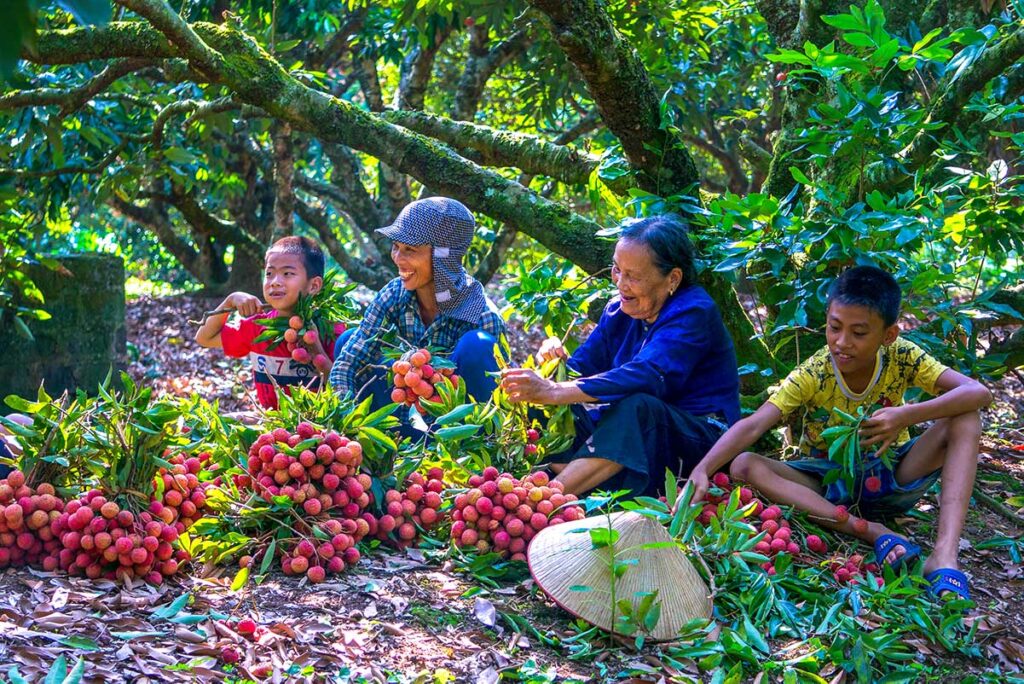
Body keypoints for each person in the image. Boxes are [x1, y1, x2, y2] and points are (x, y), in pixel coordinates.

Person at [685, 265, 991, 600]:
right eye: (834, 328)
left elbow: (977, 392)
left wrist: (905, 415)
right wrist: (703, 469)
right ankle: (871, 531)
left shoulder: (902, 355)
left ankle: (944, 557)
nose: (842, 342)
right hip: (828, 486)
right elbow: (755, 423)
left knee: (965, 418)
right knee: (743, 464)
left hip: (891, 471)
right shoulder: (815, 372)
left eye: (859, 333)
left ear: (888, 335)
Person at [500, 214, 741, 498]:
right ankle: (579, 482)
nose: (620, 284)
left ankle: (546, 498)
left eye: (634, 277)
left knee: (638, 407)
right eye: (617, 270)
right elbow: (579, 372)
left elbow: (648, 376)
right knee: (542, 402)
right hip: (630, 433)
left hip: (698, 440)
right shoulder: (618, 311)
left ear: (672, 278)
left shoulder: (694, 311)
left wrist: (555, 390)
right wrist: (553, 366)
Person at [329, 197, 506, 407]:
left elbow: (500, 396)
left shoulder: (481, 316)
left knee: (478, 345)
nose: (397, 258)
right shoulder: (394, 294)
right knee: (349, 340)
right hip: (401, 414)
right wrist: (342, 418)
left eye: (410, 250)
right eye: (395, 246)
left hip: (454, 424)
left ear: (443, 257)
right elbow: (347, 364)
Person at [195, 236, 338, 411]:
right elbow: (204, 338)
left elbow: (343, 387)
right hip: (271, 424)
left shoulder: (331, 329)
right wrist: (229, 302)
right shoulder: (257, 327)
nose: (275, 282)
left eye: (287, 273)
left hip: (319, 426)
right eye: (269, 273)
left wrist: (317, 351)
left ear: (314, 285)